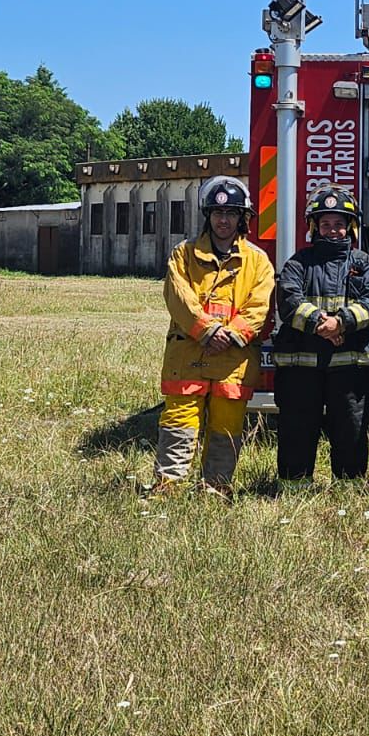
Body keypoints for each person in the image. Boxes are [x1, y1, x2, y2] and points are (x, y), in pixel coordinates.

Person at [150, 175, 275, 497]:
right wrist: (208, 331)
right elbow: (179, 298)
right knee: (178, 423)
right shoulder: (184, 254)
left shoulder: (258, 261)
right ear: (208, 216)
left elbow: (260, 306)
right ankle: (169, 486)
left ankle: (216, 488)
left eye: (231, 214)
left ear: (242, 219)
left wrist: (230, 335)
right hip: (187, 357)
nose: (223, 220)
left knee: (226, 428)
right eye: (218, 214)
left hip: (233, 359)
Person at [272, 187, 369, 490]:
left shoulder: (366, 265)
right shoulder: (298, 263)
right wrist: (322, 324)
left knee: (350, 428)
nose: (333, 231)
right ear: (314, 227)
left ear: (350, 227)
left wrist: (342, 323)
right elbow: (287, 301)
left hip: (350, 367)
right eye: (326, 224)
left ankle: (349, 489)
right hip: (302, 367)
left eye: (339, 224)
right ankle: (293, 487)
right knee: (297, 428)